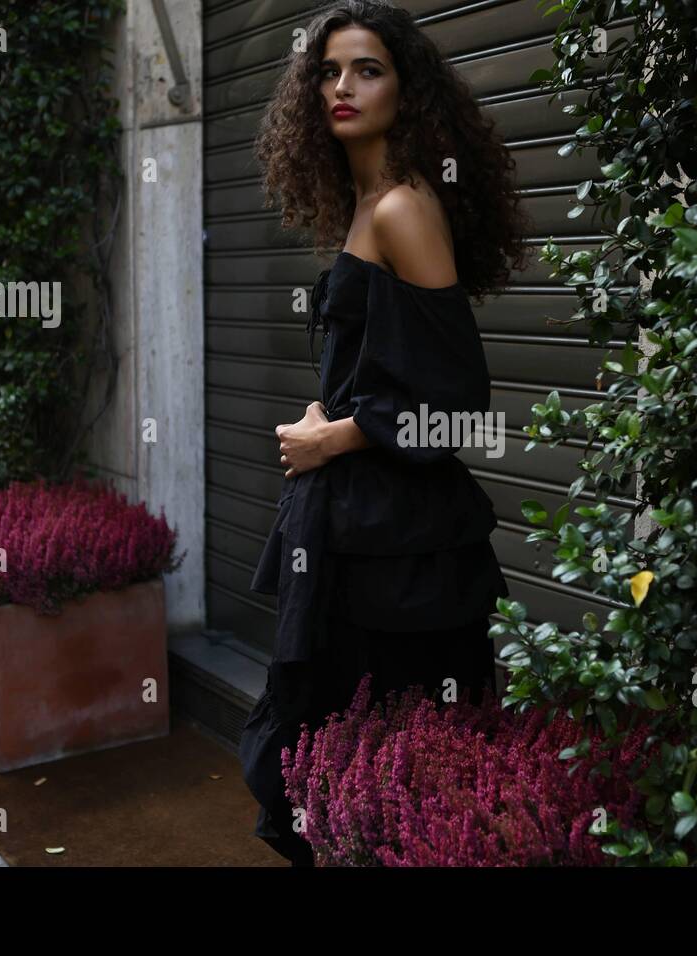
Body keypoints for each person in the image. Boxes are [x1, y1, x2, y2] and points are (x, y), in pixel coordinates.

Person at [237, 0, 532, 866]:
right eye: (328, 71)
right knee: (338, 752)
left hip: (398, 544)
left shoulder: (405, 207)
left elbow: (457, 396)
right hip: (358, 528)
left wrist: (337, 439)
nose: (341, 86)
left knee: (383, 745)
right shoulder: (367, 201)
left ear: (408, 90)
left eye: (367, 69)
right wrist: (328, 421)